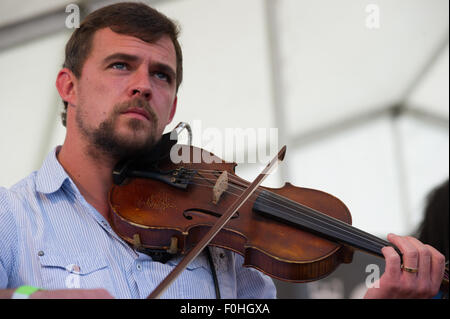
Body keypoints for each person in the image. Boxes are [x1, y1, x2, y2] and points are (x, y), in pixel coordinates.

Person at [0, 2, 445, 299]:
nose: (142, 85)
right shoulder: (12, 216)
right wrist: (29, 296)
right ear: (69, 86)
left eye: (162, 76)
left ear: (171, 106)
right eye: (120, 65)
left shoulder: (224, 251)